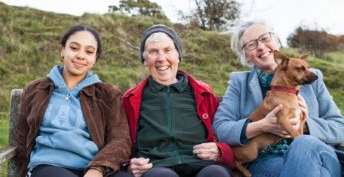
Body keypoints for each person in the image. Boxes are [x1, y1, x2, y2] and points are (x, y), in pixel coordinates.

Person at [213, 21, 344, 177]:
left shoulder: (312, 78)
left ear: (277, 41)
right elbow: (221, 128)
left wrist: (304, 124)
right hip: (268, 160)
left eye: (265, 38)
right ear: (246, 57)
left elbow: (340, 127)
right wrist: (262, 126)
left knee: (303, 143)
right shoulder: (239, 83)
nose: (261, 47)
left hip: (320, 153)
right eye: (251, 45)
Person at [16, 25, 132, 177]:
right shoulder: (35, 90)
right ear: (63, 50)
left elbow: (120, 140)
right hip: (48, 166)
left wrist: (98, 169)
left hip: (93, 168)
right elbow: (22, 137)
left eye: (89, 52)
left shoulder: (108, 95)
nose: (81, 56)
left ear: (95, 58)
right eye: (74, 48)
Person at [121, 24, 233, 177]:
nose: (161, 58)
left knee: (216, 174)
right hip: (156, 167)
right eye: (153, 52)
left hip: (201, 164)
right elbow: (120, 143)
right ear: (144, 59)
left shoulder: (204, 93)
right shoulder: (130, 99)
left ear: (178, 56)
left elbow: (224, 133)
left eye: (168, 50)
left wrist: (221, 150)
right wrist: (128, 164)